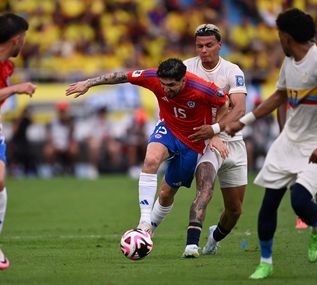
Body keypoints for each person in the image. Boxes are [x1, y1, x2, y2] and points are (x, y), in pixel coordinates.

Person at [225, 8, 317, 279]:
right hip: (289, 140)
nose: (278, 40)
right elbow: (278, 97)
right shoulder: (289, 62)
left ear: (286, 36)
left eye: (279, 35)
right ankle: (266, 262)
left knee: (299, 200)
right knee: (268, 203)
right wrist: (243, 121)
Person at [65, 58, 227, 236]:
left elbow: (224, 102)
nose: (166, 89)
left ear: (183, 80)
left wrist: (215, 132)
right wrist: (89, 83)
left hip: (193, 140)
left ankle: (150, 230)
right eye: (163, 84)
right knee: (151, 159)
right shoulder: (152, 77)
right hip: (168, 128)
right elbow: (121, 76)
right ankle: (143, 222)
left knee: (166, 194)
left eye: (171, 85)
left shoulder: (202, 88)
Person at [168, 24, 247, 258]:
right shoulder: (186, 68)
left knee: (234, 210)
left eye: (209, 45)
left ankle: (214, 237)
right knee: (205, 188)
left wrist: (215, 130)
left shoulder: (232, 71)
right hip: (205, 142)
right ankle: (192, 245)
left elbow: (239, 109)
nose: (203, 50)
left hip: (232, 142)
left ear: (219, 45)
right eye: (199, 45)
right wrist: (209, 135)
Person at [0, 13, 36, 270]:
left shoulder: (7, 66)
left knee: (0, 180)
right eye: (24, 38)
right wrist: (15, 89)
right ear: (16, 39)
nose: (24, 43)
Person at [43, 101, 78, 176]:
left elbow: (72, 137)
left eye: (64, 111)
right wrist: (55, 145)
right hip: (55, 145)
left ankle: (70, 167)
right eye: (61, 111)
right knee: (48, 150)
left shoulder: (70, 122)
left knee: (73, 149)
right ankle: (52, 169)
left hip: (66, 145)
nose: (62, 113)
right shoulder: (52, 122)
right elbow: (49, 137)